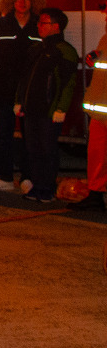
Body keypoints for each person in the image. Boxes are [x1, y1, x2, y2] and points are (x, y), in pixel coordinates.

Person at [0, 0, 44, 192]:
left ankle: (28, 178)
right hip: (4, 91)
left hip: (30, 92)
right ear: (11, 2)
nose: (22, 2)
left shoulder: (40, 26)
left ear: (33, 2)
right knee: (4, 135)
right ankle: (4, 178)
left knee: (30, 136)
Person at [14, 7, 79, 203]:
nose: (39, 26)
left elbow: (69, 83)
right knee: (33, 149)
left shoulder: (65, 51)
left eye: (44, 23)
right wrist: (19, 101)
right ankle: (36, 186)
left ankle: (47, 189)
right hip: (31, 110)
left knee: (47, 150)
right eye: (39, 23)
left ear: (56, 26)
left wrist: (61, 108)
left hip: (49, 111)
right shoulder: (37, 49)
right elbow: (24, 79)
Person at [70, 26, 107, 211]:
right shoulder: (105, 38)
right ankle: (95, 194)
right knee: (96, 155)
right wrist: (95, 57)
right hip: (100, 112)